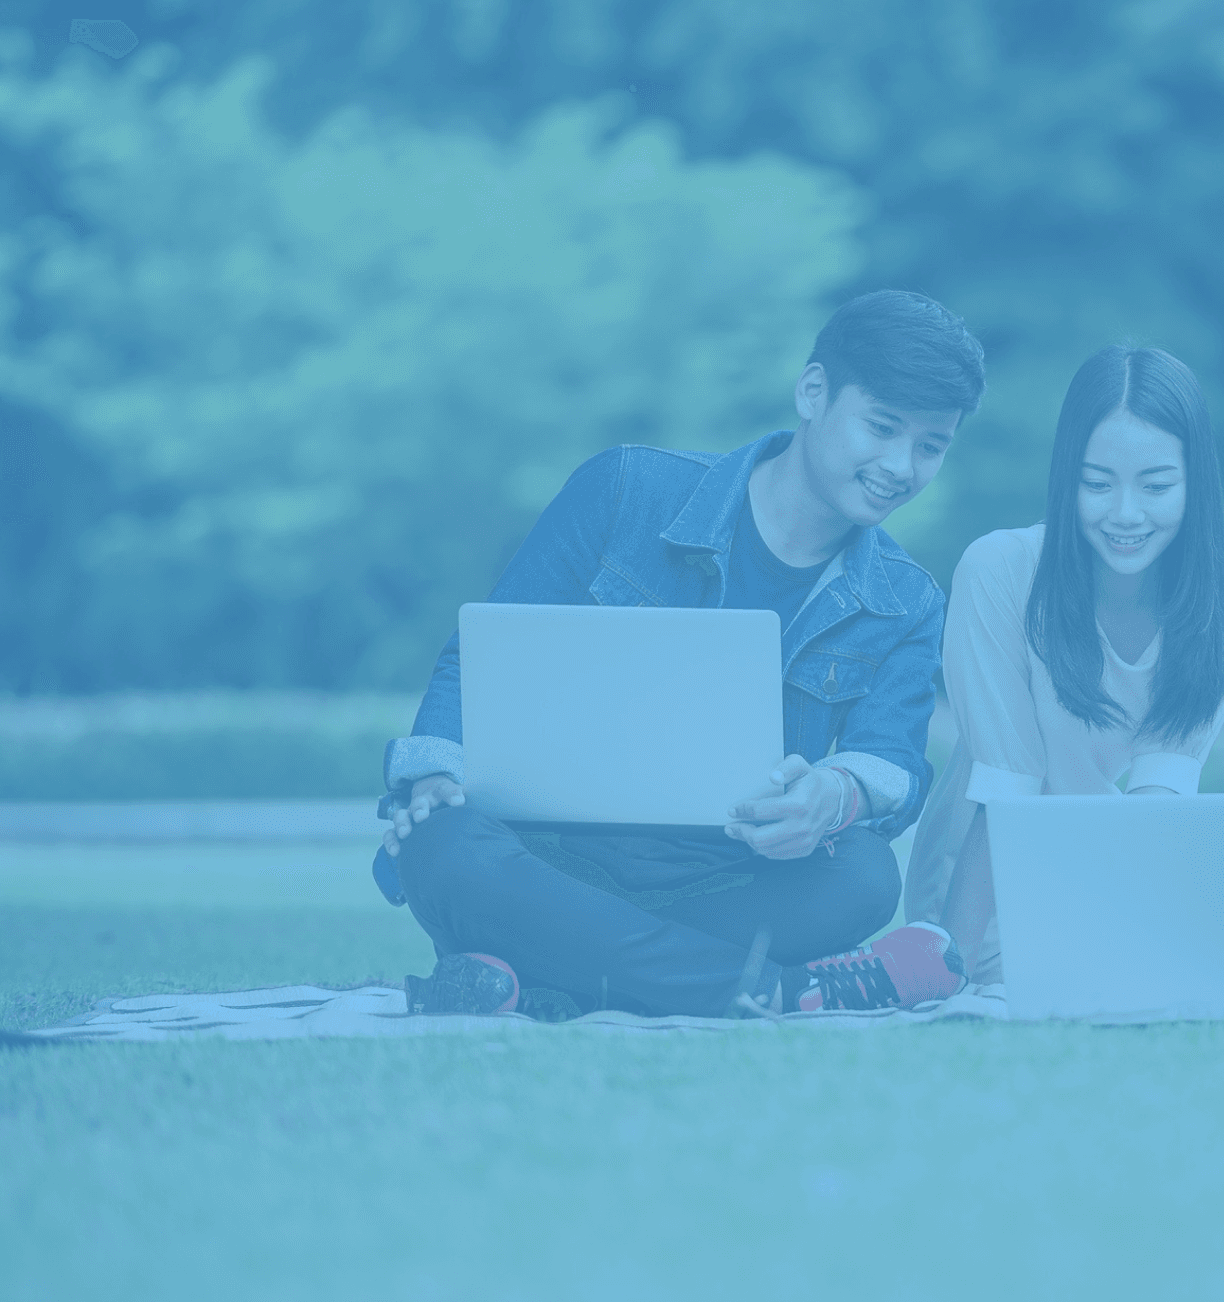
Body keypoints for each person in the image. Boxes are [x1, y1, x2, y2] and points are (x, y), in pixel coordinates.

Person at [373, 290, 985, 1019]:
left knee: (862, 876)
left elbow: (892, 763)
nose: (900, 465)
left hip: (725, 878)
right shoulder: (625, 488)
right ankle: (786, 992)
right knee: (440, 844)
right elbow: (476, 661)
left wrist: (837, 795)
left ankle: (533, 972)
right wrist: (436, 775)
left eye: (930, 446)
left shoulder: (907, 600)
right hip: (546, 856)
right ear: (813, 392)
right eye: (882, 427)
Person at [894, 345, 1224, 991]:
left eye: (1155, 486)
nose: (1125, 514)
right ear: (1066, 477)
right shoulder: (1000, 572)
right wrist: (949, 966)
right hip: (979, 869)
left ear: (1196, 480)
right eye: (1097, 484)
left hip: (1111, 851)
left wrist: (1151, 928)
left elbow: (1165, 781)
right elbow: (1005, 787)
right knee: (995, 990)